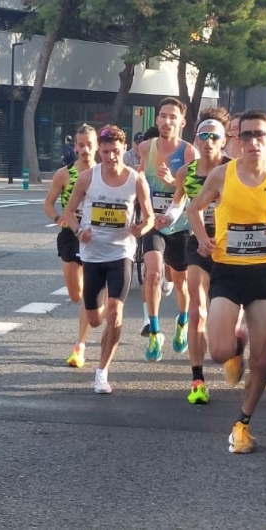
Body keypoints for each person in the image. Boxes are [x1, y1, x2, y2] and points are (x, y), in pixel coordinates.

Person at [186, 109, 266, 454]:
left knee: (261, 363)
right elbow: (194, 209)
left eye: (260, 135)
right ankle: (235, 349)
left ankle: (242, 425)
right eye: (247, 136)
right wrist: (201, 239)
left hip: (263, 274)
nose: (254, 142)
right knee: (219, 352)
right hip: (227, 272)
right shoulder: (221, 175)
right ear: (237, 141)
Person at [61, 125, 154, 394]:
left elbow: (148, 218)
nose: (110, 157)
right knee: (94, 320)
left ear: (123, 150)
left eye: (115, 151)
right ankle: (96, 313)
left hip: (120, 253)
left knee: (115, 313)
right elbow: (68, 213)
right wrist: (79, 232)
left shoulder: (136, 179)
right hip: (92, 255)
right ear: (99, 151)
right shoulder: (87, 178)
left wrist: (142, 228)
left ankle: (102, 372)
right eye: (105, 152)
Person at [155, 107, 237, 404]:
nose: (208, 141)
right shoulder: (185, 172)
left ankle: (234, 348)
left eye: (214, 136)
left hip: (230, 245)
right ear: (197, 138)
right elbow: (179, 204)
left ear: (224, 140)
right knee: (197, 311)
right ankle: (197, 380)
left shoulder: (234, 169)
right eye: (203, 136)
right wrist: (167, 216)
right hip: (198, 245)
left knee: (226, 319)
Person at [137, 97, 200, 362]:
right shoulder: (145, 148)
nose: (167, 121)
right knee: (152, 274)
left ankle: (182, 323)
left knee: (179, 282)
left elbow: (192, 191)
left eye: (173, 117)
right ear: (157, 119)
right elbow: (140, 181)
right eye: (163, 116)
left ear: (182, 122)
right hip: (153, 223)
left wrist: (173, 181)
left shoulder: (188, 153)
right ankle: (153, 331)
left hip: (180, 225)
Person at [43, 124, 98, 368]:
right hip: (69, 236)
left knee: (88, 296)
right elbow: (48, 203)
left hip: (97, 236)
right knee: (76, 295)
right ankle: (96, 297)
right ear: (74, 147)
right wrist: (58, 218)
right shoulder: (64, 174)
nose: (85, 149)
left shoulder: (104, 173)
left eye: (90, 144)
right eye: (81, 144)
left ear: (97, 146)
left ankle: (80, 346)